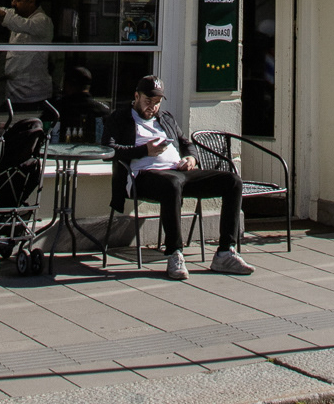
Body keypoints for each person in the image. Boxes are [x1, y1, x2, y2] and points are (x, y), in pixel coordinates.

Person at [105, 75, 252, 281]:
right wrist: (143, 150)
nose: (152, 107)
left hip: (180, 172)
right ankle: (175, 253)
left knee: (232, 181)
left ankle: (225, 253)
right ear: (136, 96)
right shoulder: (120, 118)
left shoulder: (165, 118)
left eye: (156, 103)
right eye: (148, 101)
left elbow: (186, 143)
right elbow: (108, 149)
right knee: (172, 184)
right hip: (143, 177)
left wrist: (191, 158)